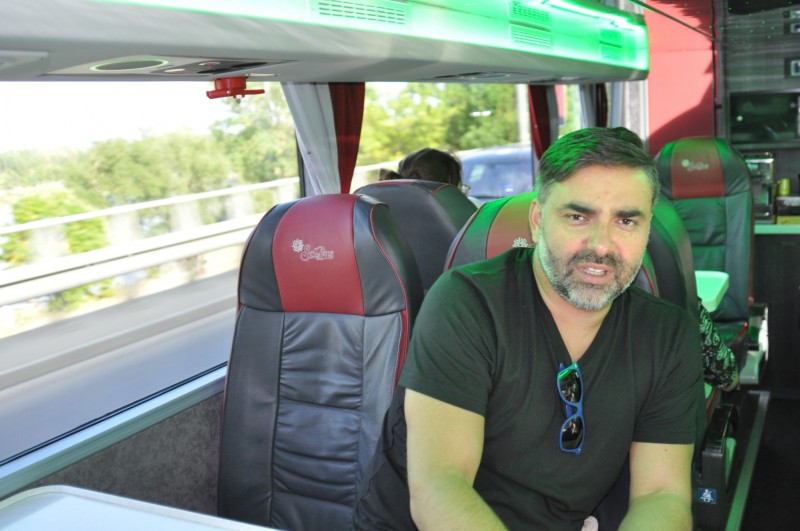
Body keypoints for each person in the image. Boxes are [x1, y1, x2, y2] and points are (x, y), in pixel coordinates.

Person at [354, 127, 703, 530]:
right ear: (537, 221)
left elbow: (661, 494)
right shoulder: (466, 304)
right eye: (578, 217)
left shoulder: (667, 335)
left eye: (626, 220)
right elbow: (441, 485)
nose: (602, 245)